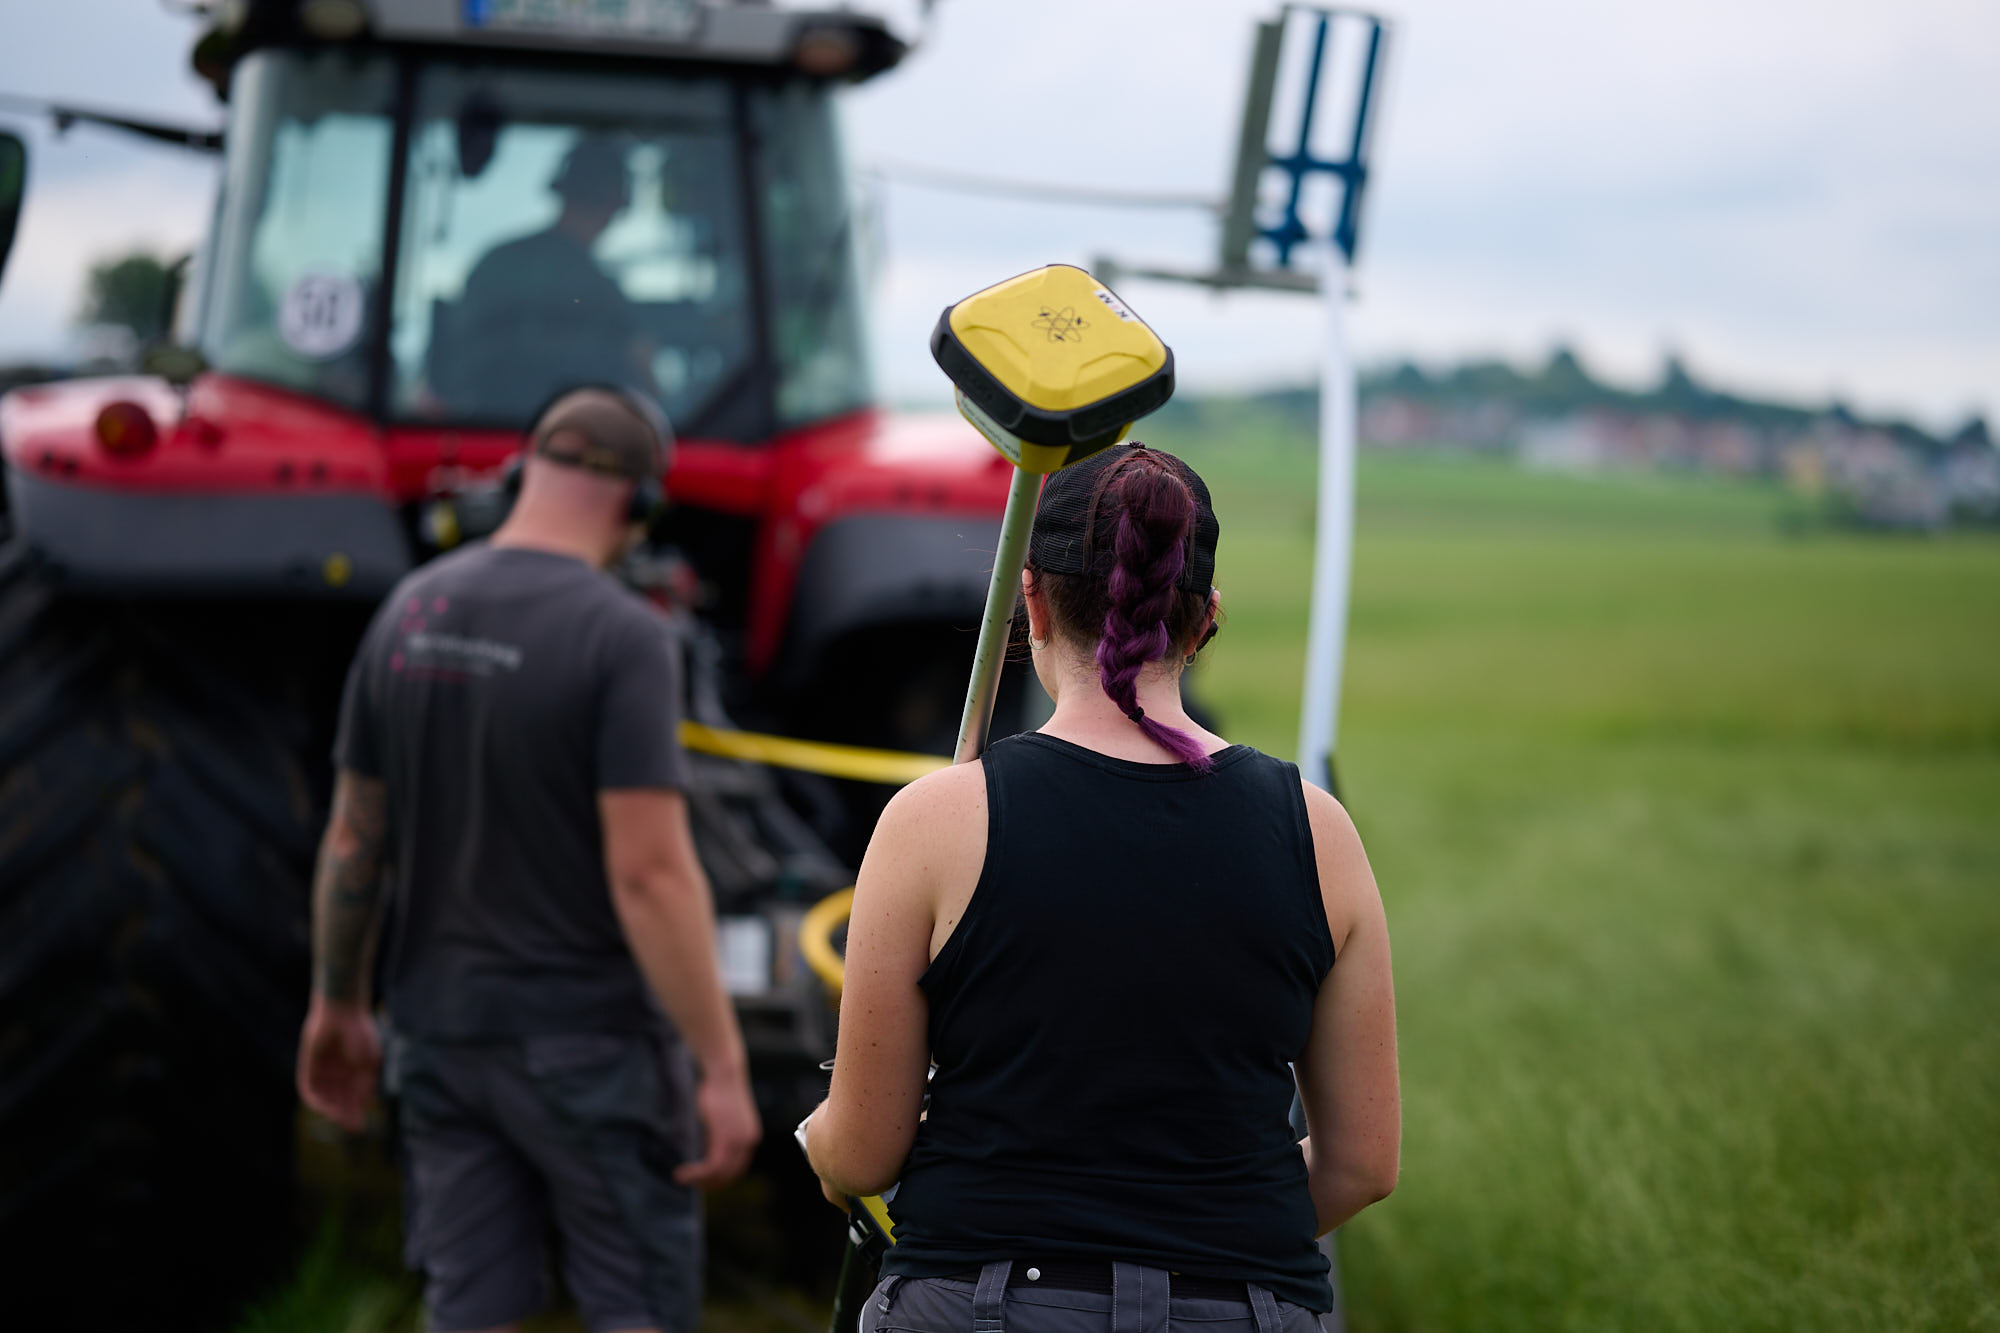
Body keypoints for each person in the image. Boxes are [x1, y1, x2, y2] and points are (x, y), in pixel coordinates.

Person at [804, 443, 1400, 1333]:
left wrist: (820, 1139)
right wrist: (1207, 1237)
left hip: (981, 1302)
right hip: (1241, 1307)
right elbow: (1363, 1165)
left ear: (1032, 600)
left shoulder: (933, 821)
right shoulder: (1320, 832)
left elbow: (864, 1150)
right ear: (1206, 618)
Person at [296, 387, 760, 1333]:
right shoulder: (625, 635)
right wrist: (721, 1064)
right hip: (592, 1051)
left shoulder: (408, 611)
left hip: (438, 1039)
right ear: (640, 503)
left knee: (469, 1310)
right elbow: (649, 873)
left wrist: (337, 1002)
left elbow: (353, 839)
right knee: (635, 1308)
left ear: (518, 473)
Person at [439, 136, 656, 417]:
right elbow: (640, 371)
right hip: (575, 426)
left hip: (482, 423)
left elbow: (448, 366)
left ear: (563, 192)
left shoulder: (496, 262)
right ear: (613, 204)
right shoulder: (602, 289)